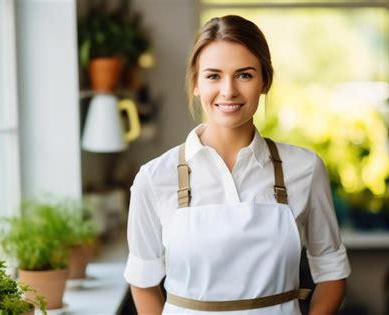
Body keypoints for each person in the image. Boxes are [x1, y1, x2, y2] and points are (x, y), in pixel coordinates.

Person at [123, 15, 351, 315]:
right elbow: (142, 281)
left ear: (265, 81)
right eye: (213, 76)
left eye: (244, 75)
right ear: (195, 83)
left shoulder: (304, 169)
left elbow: (332, 272)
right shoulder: (154, 178)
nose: (228, 90)